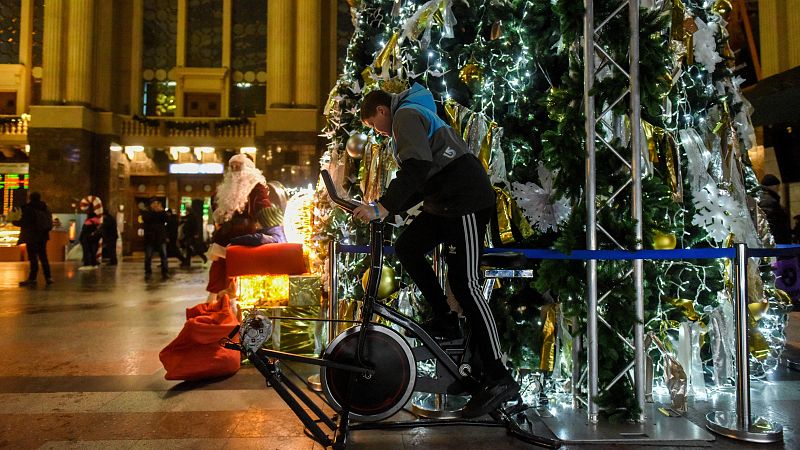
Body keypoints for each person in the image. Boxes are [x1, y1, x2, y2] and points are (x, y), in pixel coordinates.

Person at [355, 83, 517, 418]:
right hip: (443, 203)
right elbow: (424, 176)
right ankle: (445, 319)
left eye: (373, 124)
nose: (377, 132)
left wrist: (383, 207)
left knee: (466, 284)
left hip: (465, 201)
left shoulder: (405, 116)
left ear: (382, 110)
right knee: (408, 247)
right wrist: (391, 210)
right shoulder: (410, 117)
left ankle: (499, 377)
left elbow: (416, 169)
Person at [205, 154, 275, 298]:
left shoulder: (256, 187)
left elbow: (265, 210)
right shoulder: (223, 189)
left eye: (239, 166)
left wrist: (273, 230)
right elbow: (215, 205)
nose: (235, 170)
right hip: (224, 237)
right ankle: (218, 307)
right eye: (232, 167)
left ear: (247, 168)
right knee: (219, 275)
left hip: (246, 237)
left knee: (242, 274)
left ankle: (237, 307)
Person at [13, 191, 53, 286]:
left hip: (31, 236)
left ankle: (32, 278)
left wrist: (14, 222)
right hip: (43, 236)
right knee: (43, 257)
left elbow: (24, 222)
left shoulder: (27, 208)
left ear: (30, 198)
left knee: (33, 257)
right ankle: (48, 277)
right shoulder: (45, 208)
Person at [760, 174, 792, 244]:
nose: (778, 189)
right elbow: (771, 225)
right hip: (776, 242)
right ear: (773, 186)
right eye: (777, 186)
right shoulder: (769, 201)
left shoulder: (764, 198)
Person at [142, 198, 169, 280]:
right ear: (150, 205)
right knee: (148, 256)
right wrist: (156, 213)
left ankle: (165, 272)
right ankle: (148, 272)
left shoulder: (162, 212)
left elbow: (166, 219)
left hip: (160, 237)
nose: (155, 205)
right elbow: (147, 219)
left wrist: (161, 211)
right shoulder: (147, 213)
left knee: (164, 256)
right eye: (153, 203)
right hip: (150, 238)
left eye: (156, 203)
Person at [179, 199, 208, 268]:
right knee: (189, 249)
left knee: (192, 248)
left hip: (190, 235)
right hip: (188, 235)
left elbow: (194, 226)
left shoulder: (192, 217)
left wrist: (196, 233)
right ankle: (187, 262)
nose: (186, 212)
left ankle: (202, 256)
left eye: (187, 211)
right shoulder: (189, 217)